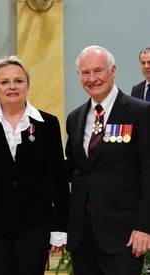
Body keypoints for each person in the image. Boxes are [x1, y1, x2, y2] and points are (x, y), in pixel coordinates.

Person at [0, 55, 70, 275]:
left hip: (36, 223)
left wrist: (59, 228)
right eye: (4, 82)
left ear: (28, 86)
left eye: (18, 81)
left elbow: (57, 178)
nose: (12, 87)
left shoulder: (47, 123)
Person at [65, 45, 150, 275]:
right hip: (82, 235)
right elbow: (73, 168)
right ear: (79, 76)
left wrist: (144, 227)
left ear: (113, 71)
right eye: (85, 72)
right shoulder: (74, 118)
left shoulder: (140, 112)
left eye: (98, 71)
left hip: (124, 234)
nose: (92, 78)